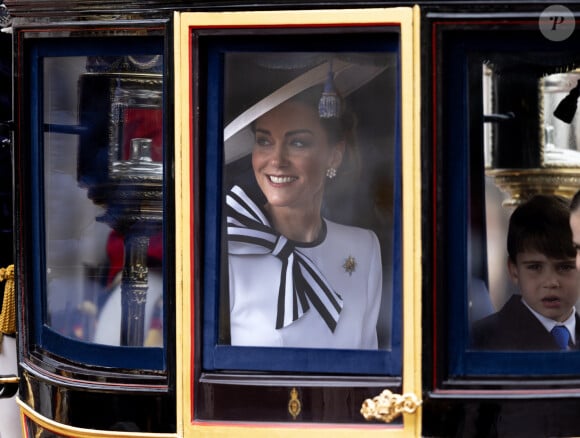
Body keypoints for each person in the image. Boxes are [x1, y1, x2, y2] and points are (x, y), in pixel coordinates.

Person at [225, 69, 383, 350]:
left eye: (297, 143)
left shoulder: (364, 249)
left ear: (334, 154)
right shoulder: (230, 247)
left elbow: (369, 366)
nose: (277, 160)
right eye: (264, 141)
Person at [471, 194, 580, 351]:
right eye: (535, 267)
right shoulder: (482, 340)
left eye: (564, 267)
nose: (551, 282)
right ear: (514, 270)